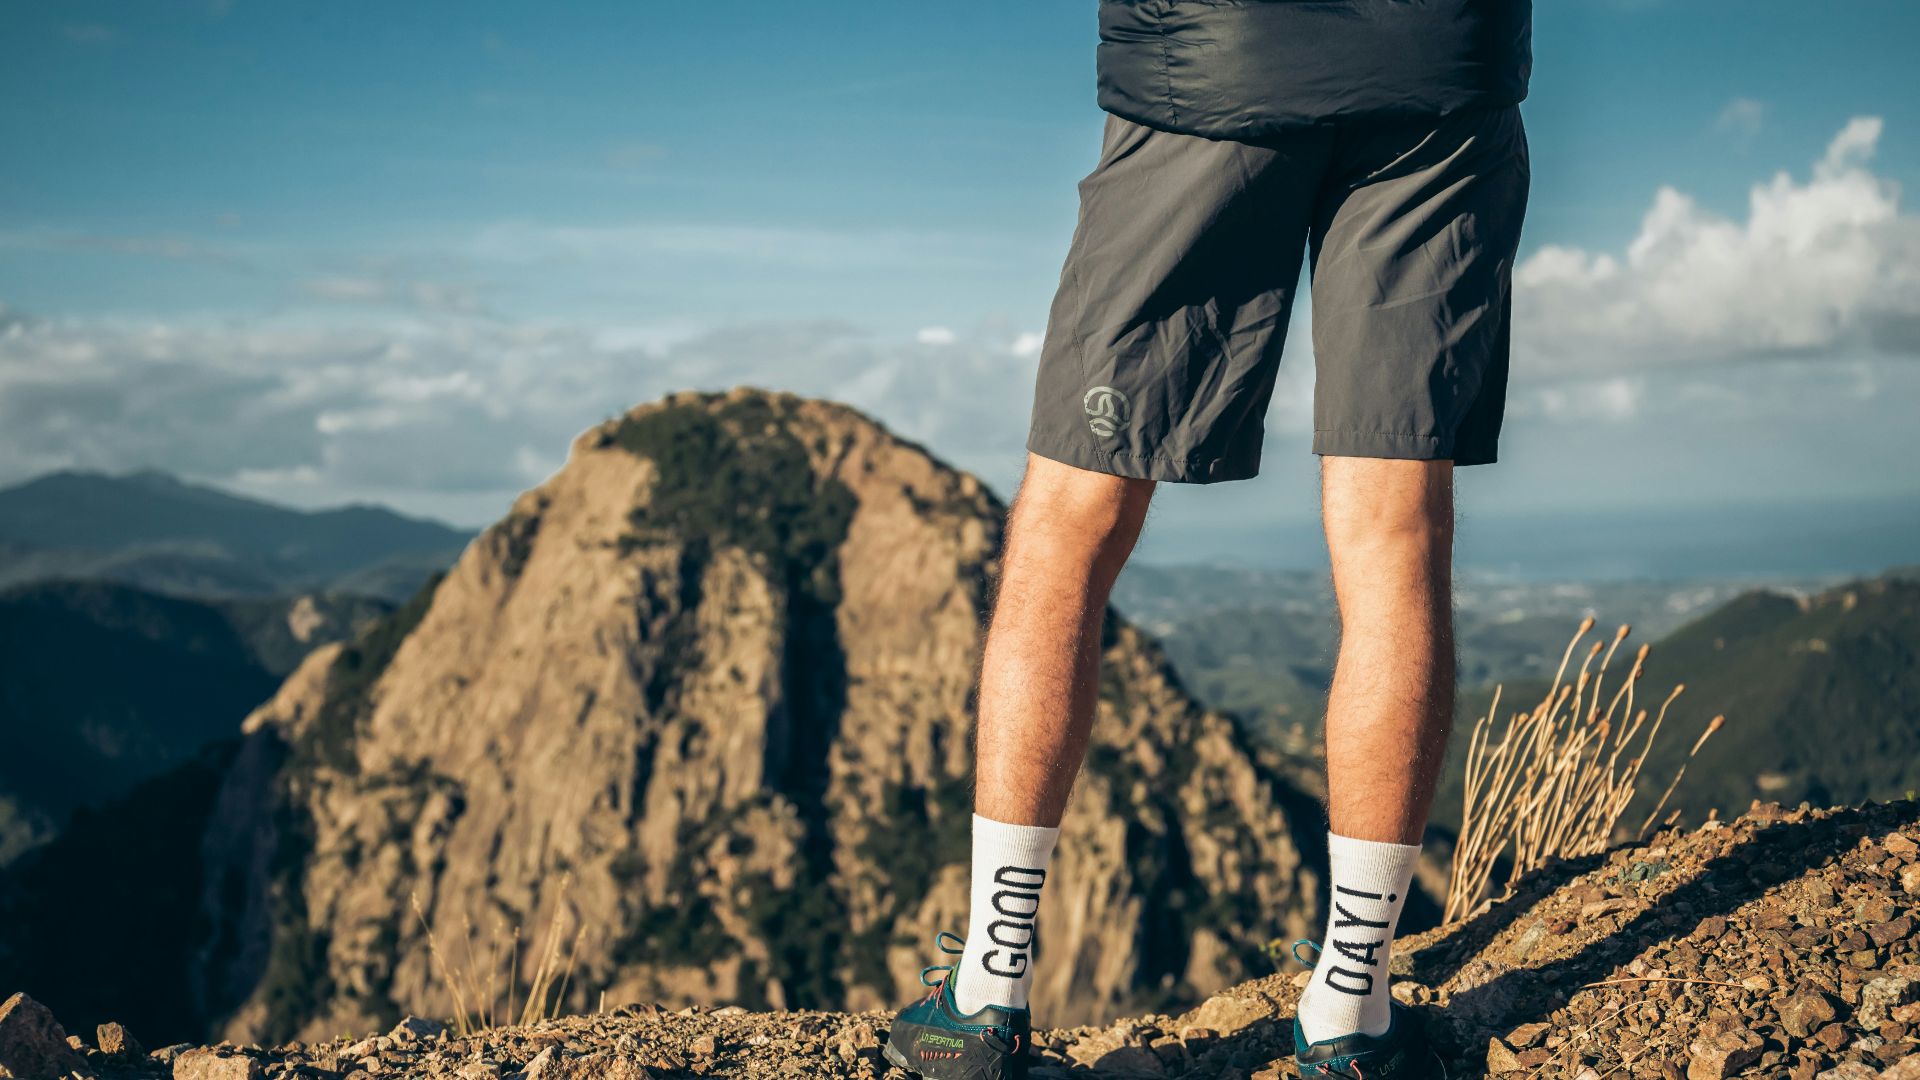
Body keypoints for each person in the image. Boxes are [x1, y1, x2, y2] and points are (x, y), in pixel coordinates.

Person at [883, 0, 1532, 1076]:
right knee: (1394, 538)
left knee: (1068, 519)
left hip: (1210, 64)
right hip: (1443, 64)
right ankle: (1350, 1015)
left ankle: (985, 997)